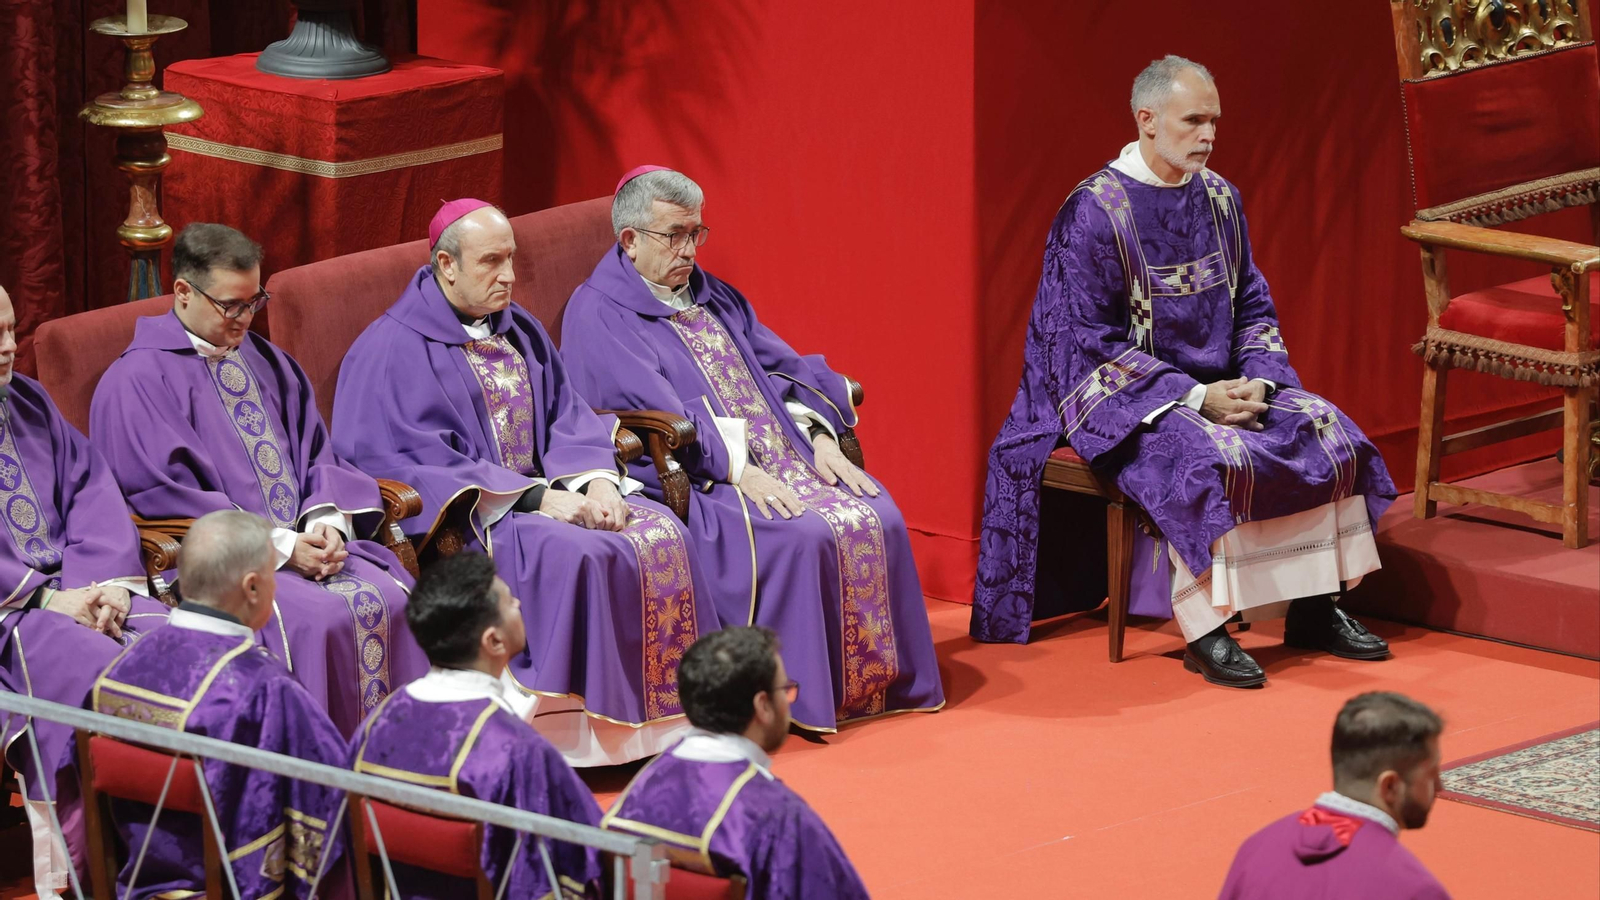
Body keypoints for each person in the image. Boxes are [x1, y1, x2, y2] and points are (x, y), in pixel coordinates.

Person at [973, 56, 1397, 686]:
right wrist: (1195, 397)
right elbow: (1080, 345)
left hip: (1226, 383)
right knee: (1195, 458)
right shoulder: (1094, 213)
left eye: (1214, 122)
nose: (1208, 135)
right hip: (1130, 402)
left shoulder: (1221, 199)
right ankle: (1205, 630)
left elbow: (1252, 301)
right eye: (1193, 120)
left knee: (1326, 429)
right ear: (1146, 120)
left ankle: (1316, 605)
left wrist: (1260, 377)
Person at [333, 199, 717, 765]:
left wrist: (595, 482)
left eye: (512, 259)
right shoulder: (390, 350)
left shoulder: (519, 329)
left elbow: (569, 413)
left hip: (551, 494)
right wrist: (540, 499)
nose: (510, 276)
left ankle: (668, 723)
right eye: (492, 262)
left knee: (661, 531)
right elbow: (406, 462)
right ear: (446, 264)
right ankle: (582, 739)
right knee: (582, 554)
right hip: (481, 520)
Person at [560, 168, 944, 732]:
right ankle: (798, 696)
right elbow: (654, 412)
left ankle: (878, 687)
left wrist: (817, 438)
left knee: (879, 512)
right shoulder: (600, 314)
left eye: (696, 233)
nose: (690, 249)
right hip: (697, 475)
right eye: (675, 235)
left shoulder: (711, 294)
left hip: (782, 453)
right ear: (630, 240)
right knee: (803, 531)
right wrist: (741, 472)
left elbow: (781, 367)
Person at [89, 223, 427, 733]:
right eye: (232, 305)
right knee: (319, 622)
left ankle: (393, 772)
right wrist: (284, 548)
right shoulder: (135, 383)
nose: (246, 318)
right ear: (183, 292)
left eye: (255, 301)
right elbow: (163, 494)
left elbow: (318, 453)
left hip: (305, 547)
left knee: (396, 598)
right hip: (221, 570)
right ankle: (317, 783)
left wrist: (326, 523)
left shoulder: (267, 361)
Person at [0, 284, 171, 898]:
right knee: (102, 677)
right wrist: (49, 601)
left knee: (187, 646)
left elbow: (90, 490)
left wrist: (103, 586)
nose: (7, 348)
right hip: (13, 618)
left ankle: (185, 857)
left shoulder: (27, 399)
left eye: (11, 330)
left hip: (78, 589)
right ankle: (97, 871)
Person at [83, 510, 349, 900]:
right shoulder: (265, 689)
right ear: (253, 588)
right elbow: (332, 801)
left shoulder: (117, 670)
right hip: (226, 887)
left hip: (137, 882)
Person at [351, 552, 604, 899]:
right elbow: (587, 856)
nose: (519, 603)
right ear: (494, 641)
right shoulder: (513, 748)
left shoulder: (376, 724)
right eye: (510, 602)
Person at [604, 626, 869, 898]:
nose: (789, 701)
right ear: (763, 705)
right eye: (785, 690)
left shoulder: (636, 793)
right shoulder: (776, 816)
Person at [1219, 692, 1450, 899]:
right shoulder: (1415, 890)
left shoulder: (1258, 847)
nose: (1439, 786)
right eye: (1431, 774)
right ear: (1389, 786)